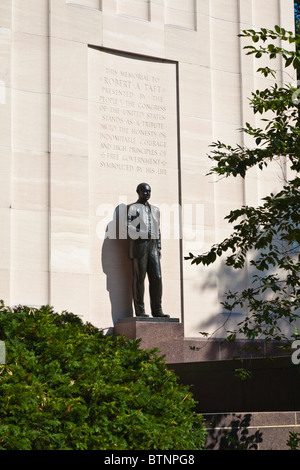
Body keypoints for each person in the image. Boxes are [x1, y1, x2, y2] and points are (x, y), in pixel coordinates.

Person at [127, 183, 169, 318]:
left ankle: (157, 310)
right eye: (144, 191)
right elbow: (128, 228)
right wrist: (144, 233)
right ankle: (140, 311)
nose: (147, 194)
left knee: (157, 277)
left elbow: (158, 230)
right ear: (138, 191)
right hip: (139, 245)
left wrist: (159, 248)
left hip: (153, 247)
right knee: (140, 278)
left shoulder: (156, 210)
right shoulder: (132, 207)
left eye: (149, 191)